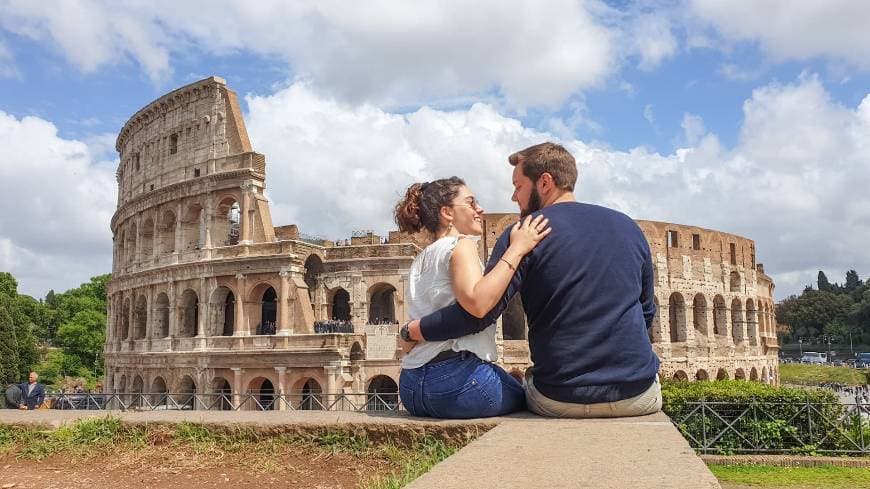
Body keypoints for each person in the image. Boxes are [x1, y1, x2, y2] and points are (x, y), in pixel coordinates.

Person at [403, 142, 661, 418]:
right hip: (637, 394)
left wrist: (413, 331)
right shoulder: (629, 228)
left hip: (558, 398)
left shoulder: (524, 232)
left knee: (520, 384)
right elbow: (647, 312)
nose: (514, 197)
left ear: (545, 182)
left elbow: (480, 313)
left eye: (519, 186)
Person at [394, 176, 550, 418]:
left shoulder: (421, 259)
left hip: (411, 387)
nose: (480, 209)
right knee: (532, 394)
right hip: (458, 384)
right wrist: (518, 247)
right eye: (471, 202)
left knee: (511, 379)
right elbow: (477, 304)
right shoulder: (461, 245)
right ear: (447, 212)